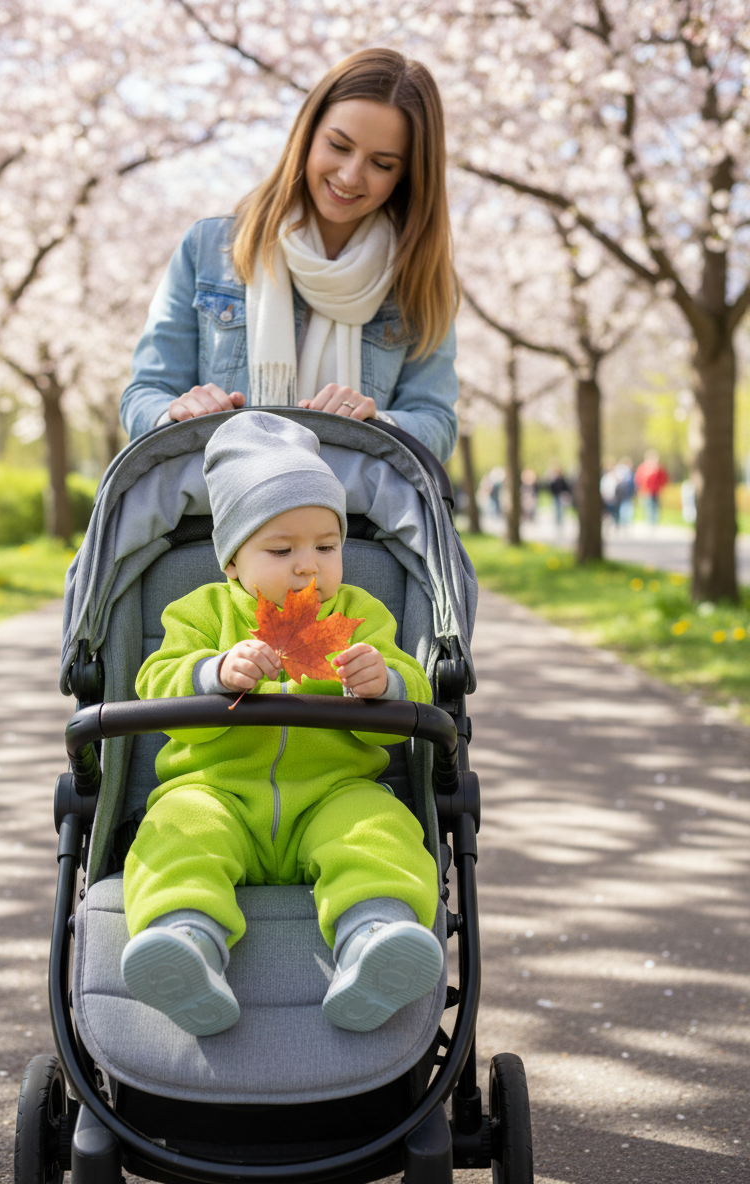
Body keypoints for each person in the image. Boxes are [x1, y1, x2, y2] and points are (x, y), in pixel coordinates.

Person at [120, 413, 443, 1037]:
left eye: (327, 546)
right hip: (216, 790)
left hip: (332, 791)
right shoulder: (200, 613)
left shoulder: (359, 614)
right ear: (233, 562)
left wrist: (386, 685)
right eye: (281, 549)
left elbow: (415, 698)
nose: (308, 567)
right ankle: (185, 943)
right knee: (176, 831)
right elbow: (153, 683)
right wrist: (212, 672)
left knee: (378, 830)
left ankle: (375, 938)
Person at [119, 49, 460, 462]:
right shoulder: (209, 249)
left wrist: (379, 426)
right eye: (338, 145)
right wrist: (174, 412)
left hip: (353, 524)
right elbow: (142, 396)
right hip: (216, 518)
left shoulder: (418, 278)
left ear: (407, 175)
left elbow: (437, 422)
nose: (350, 176)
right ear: (307, 133)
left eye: (382, 164)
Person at [635, 450, 669, 524]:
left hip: (655, 491)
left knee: (655, 507)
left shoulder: (659, 468)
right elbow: (639, 479)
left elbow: (663, 479)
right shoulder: (643, 467)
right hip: (646, 491)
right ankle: (649, 522)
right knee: (648, 507)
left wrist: (661, 488)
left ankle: (654, 522)